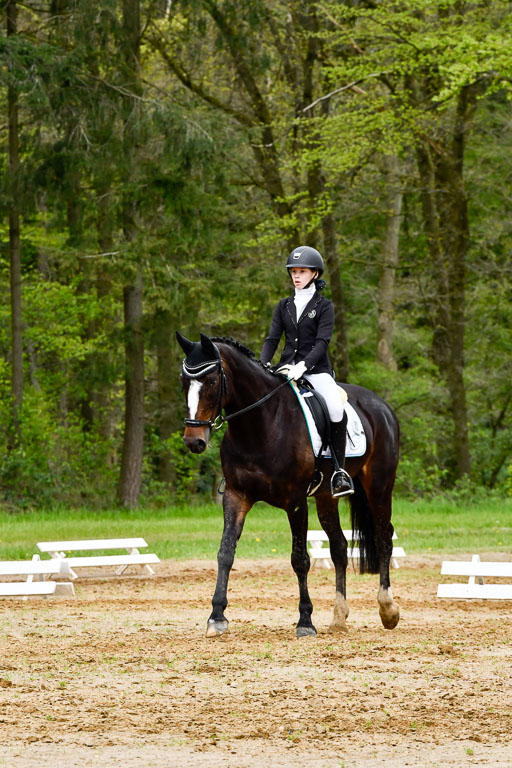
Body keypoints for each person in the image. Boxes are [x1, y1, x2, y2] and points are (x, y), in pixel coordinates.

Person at [261, 245, 354, 497]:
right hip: (285, 369)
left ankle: (339, 472)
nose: (296, 276)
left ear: (315, 274)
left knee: (335, 407)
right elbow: (272, 339)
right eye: (293, 271)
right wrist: (263, 364)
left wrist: (304, 366)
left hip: (315, 371)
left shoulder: (325, 306)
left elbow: (323, 342)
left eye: (302, 271)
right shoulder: (283, 306)